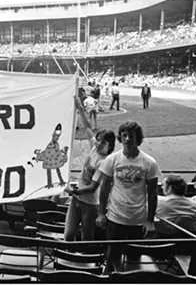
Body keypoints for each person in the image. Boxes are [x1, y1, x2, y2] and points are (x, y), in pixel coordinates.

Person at [96, 121, 161, 274]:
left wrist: (150, 220)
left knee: (133, 257)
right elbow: (104, 187)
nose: (127, 139)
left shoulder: (149, 163)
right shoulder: (112, 159)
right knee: (112, 256)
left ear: (137, 138)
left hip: (137, 219)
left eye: (130, 136)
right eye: (124, 136)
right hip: (114, 217)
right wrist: (100, 213)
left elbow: (152, 193)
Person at [64, 96, 116, 241]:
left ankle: (84, 262)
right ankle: (70, 260)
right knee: (68, 235)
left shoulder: (104, 162)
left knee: (86, 238)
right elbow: (87, 127)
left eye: (103, 142)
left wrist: (73, 191)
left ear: (110, 146)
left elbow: (93, 187)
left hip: (89, 204)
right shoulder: (94, 149)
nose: (98, 143)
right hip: (76, 199)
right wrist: (80, 108)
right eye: (98, 140)